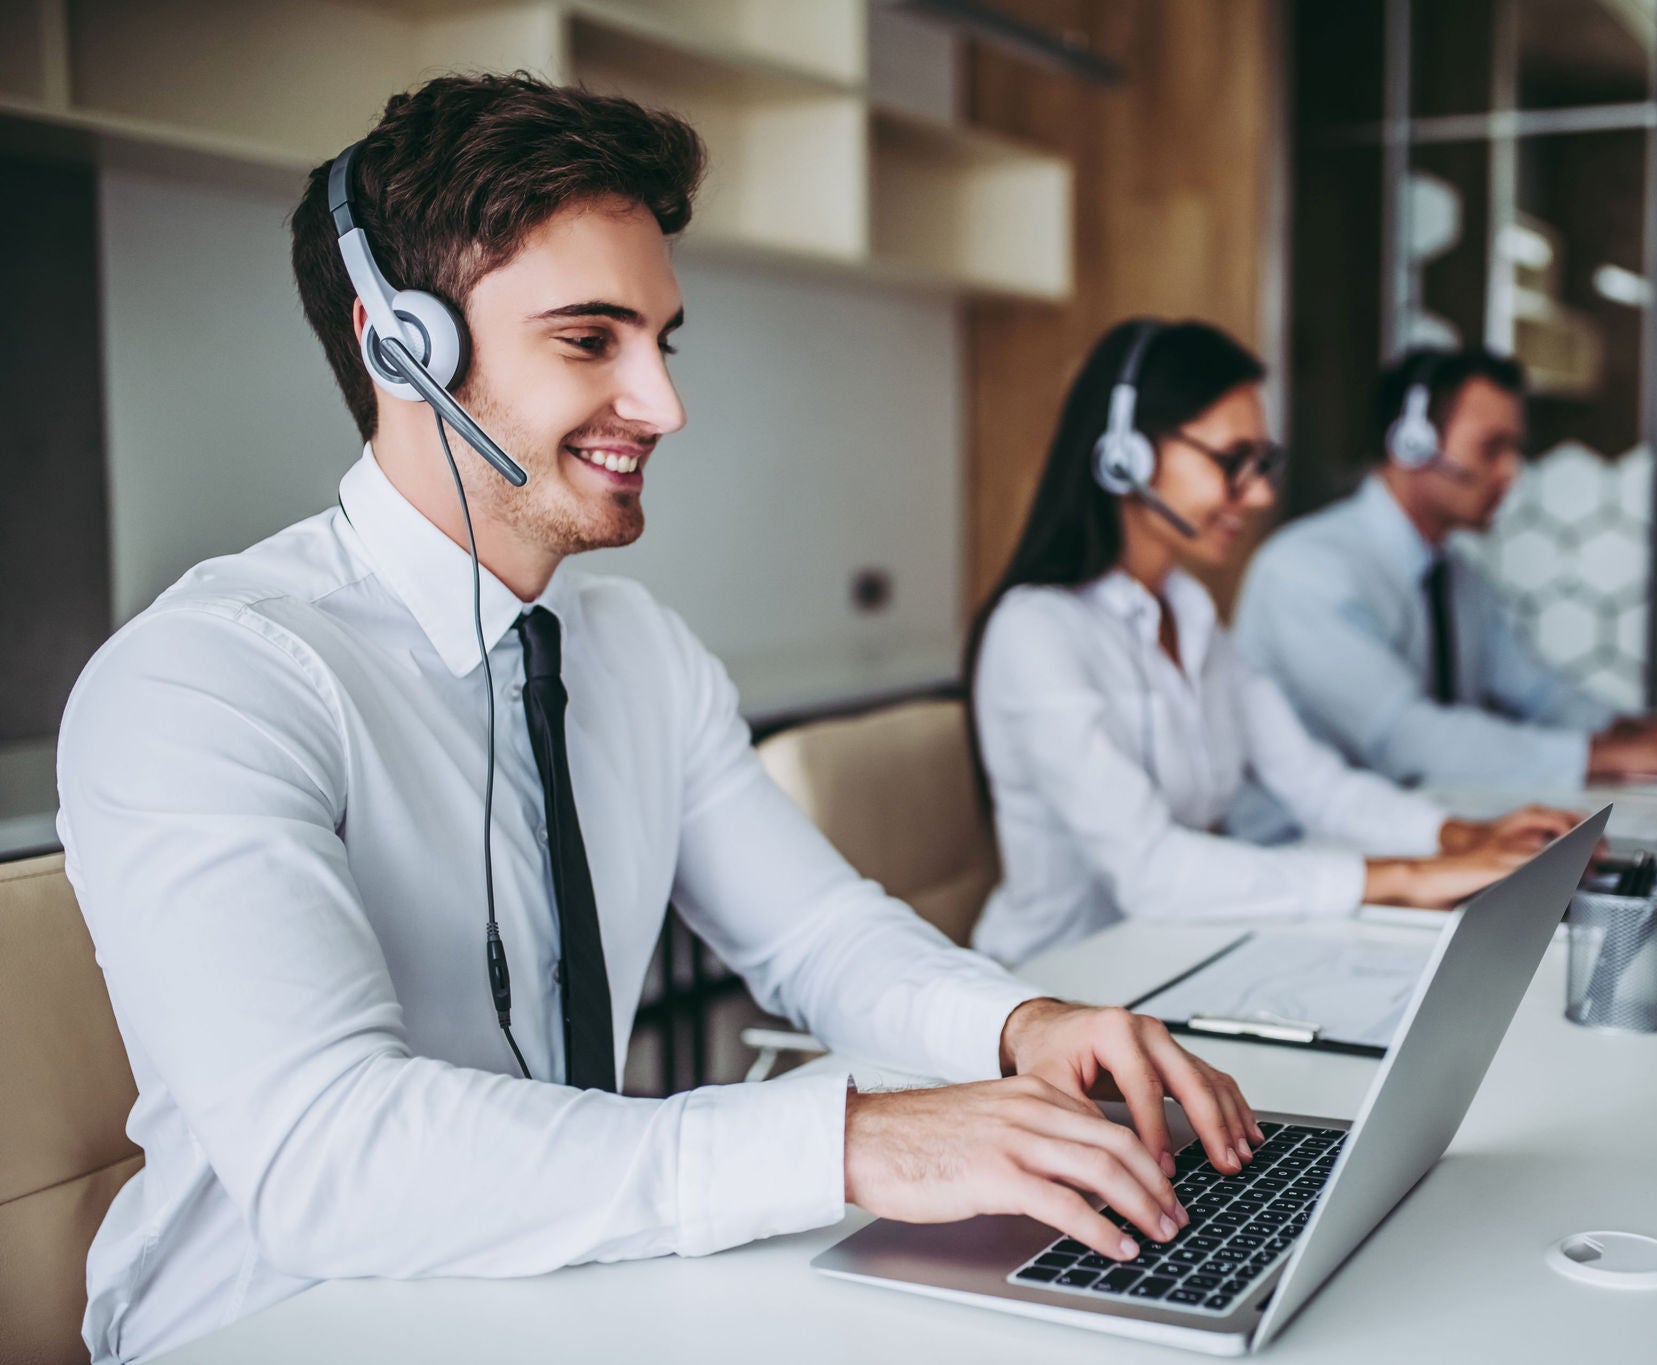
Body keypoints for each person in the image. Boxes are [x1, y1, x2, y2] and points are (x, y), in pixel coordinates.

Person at [55, 77, 1259, 1364]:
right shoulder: (207, 682)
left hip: (568, 1286)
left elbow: (818, 936)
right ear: (398, 346)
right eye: (590, 341)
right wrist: (851, 1140)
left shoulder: (636, 653)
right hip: (276, 1320)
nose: (664, 405)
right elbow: (329, 1158)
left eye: (660, 342)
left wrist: (1021, 1028)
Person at [964, 319, 1580, 968]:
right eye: (1232, 462)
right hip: (1057, 983)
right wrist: (1404, 876)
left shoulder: (1196, 620)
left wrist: (1461, 835)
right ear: (1127, 455)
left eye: (1263, 464)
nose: (1258, 494)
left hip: (1179, 958)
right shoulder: (1035, 631)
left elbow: (1317, 784)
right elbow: (1152, 871)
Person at [1234, 347, 1657, 791]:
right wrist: (1597, 755)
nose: (1511, 472)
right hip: (1302, 850)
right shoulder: (1305, 571)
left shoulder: (1458, 578)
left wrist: (1638, 733)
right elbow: (1404, 738)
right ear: (1413, 445)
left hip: (1425, 832)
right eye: (1491, 447)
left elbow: (1541, 694)